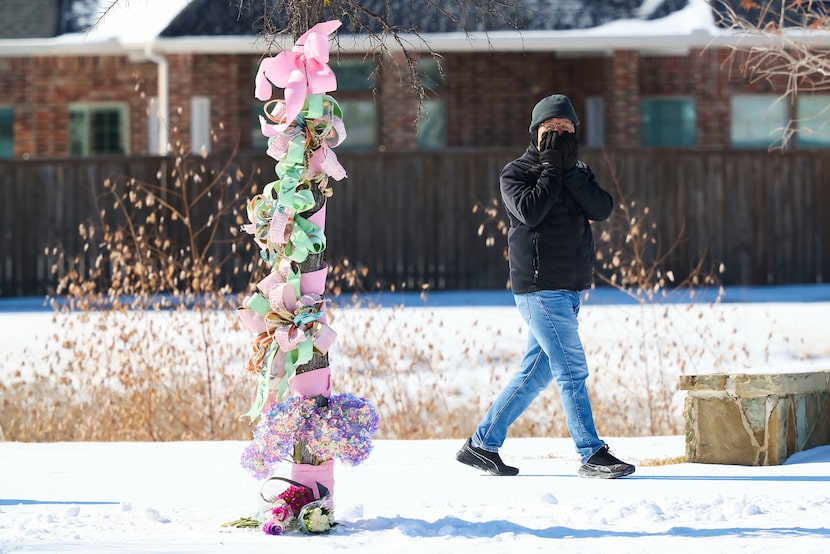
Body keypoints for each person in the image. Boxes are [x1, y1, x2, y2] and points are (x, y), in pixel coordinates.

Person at [456, 94, 635, 479]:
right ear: (535, 132)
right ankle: (591, 453)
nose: (557, 134)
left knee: (536, 373)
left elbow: (602, 208)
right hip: (539, 288)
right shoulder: (516, 172)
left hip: (569, 289)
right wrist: (552, 169)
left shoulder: (578, 170)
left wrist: (568, 170)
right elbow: (531, 211)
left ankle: (481, 445)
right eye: (550, 129)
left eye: (565, 128)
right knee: (572, 369)